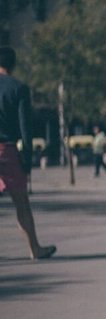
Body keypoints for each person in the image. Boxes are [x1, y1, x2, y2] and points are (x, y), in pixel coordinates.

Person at [0, 46, 56, 259]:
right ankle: (35, 249)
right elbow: (26, 128)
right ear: (13, 64)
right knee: (21, 203)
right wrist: (27, 158)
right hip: (7, 150)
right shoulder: (19, 88)